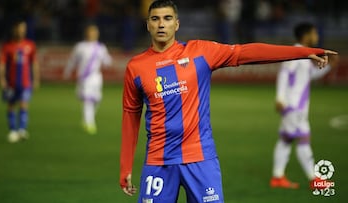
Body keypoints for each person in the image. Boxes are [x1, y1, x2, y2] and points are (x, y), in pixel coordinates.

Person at [120, 1, 337, 202]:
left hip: (200, 159)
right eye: (155, 19)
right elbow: (131, 115)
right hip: (158, 162)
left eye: (167, 18)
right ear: (147, 24)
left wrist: (304, 52)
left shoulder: (201, 52)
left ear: (176, 24)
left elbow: (248, 52)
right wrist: (125, 166)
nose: (161, 24)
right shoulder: (136, 67)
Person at [270, 22, 338, 189]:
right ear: (306, 35)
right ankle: (313, 179)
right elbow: (284, 74)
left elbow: (310, 75)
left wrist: (329, 67)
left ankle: (278, 177)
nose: (317, 36)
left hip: (293, 107)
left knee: (286, 140)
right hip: (293, 106)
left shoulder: (303, 54)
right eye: (314, 33)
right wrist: (280, 98)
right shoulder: (296, 52)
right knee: (303, 139)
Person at [64, 24, 112, 135]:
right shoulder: (80, 46)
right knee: (88, 100)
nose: (92, 34)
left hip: (97, 77)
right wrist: (67, 72)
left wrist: (107, 61)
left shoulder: (100, 47)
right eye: (90, 32)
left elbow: (107, 61)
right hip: (85, 77)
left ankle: (87, 119)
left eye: (94, 32)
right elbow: (72, 60)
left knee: (97, 100)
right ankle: (89, 123)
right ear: (86, 33)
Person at [0, 20, 40, 143]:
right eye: (19, 28)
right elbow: (2, 64)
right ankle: (12, 130)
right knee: (11, 105)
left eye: (23, 29)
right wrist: (2, 79)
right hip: (11, 82)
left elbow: (34, 63)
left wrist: (36, 78)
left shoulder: (30, 45)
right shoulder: (7, 46)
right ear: (14, 30)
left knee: (24, 104)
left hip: (25, 82)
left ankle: (22, 130)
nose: (21, 31)